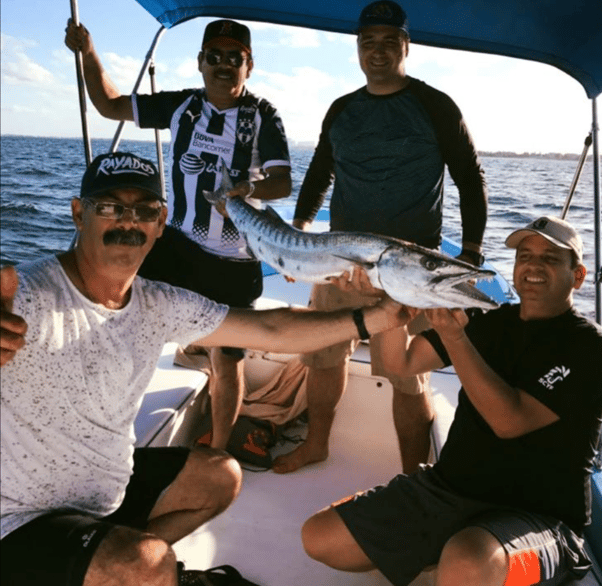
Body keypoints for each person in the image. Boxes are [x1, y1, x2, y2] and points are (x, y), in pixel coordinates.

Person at [0, 152, 410, 586]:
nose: (128, 222)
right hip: (19, 515)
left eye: (144, 211)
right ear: (79, 213)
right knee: (147, 562)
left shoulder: (158, 303)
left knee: (221, 475)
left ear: (161, 225)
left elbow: (272, 328)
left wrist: (378, 318)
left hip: (106, 491)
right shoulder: (25, 295)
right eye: (110, 207)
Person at [301, 216, 602, 586]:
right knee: (320, 536)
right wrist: (387, 299)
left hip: (543, 520)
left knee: (468, 563)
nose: (533, 266)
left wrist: (455, 338)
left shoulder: (589, 347)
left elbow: (508, 421)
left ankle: (484, 566)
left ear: (577, 276)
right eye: (525, 256)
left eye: (550, 258)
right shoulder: (490, 321)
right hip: (451, 492)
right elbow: (397, 363)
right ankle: (448, 550)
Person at [273, 0, 487, 474]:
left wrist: (470, 251)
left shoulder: (435, 105)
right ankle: (317, 444)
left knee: (406, 377)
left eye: (390, 42)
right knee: (323, 357)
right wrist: (299, 233)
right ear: (357, 49)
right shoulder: (342, 109)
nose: (379, 52)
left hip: (408, 273)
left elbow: (470, 180)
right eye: (369, 43)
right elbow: (319, 174)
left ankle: (414, 475)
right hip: (340, 260)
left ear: (406, 46)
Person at [65, 18, 292, 450]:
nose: (224, 65)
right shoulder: (182, 107)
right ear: (201, 62)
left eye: (234, 58)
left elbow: (282, 183)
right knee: (116, 317)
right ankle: (93, 420)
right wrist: (88, 53)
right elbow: (109, 104)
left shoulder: (263, 116)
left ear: (250, 65)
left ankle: (219, 448)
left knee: (227, 360)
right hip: (178, 247)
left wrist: (245, 189)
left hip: (235, 261)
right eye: (215, 56)